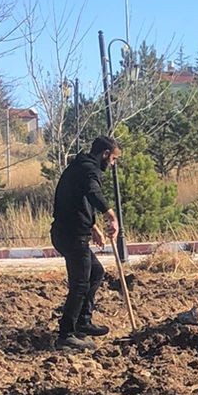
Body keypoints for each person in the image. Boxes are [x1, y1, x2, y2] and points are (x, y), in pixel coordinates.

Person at [51, 135, 121, 351]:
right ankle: (66, 334)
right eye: (113, 159)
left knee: (96, 272)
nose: (113, 164)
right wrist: (111, 216)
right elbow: (93, 193)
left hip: (70, 232)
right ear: (105, 154)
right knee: (80, 283)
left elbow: (77, 202)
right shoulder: (89, 170)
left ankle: (83, 321)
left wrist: (94, 227)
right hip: (71, 236)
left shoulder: (81, 166)